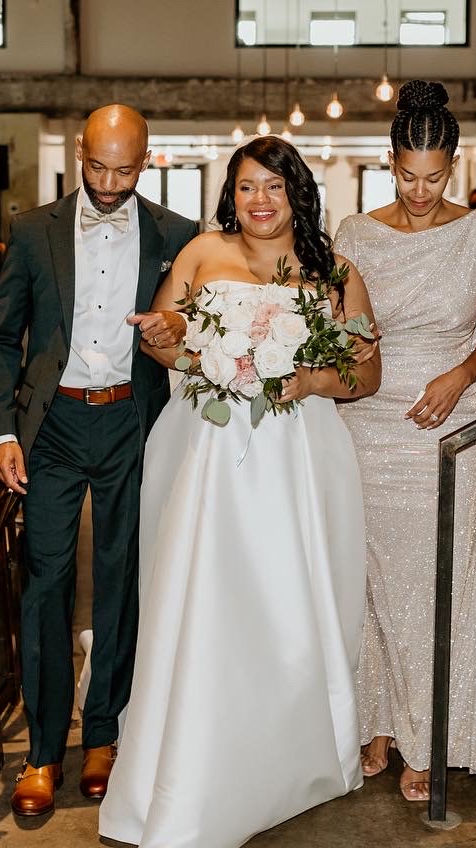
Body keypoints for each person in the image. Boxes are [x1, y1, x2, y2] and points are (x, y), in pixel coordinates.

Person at [99, 135, 381, 847]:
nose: (260, 200)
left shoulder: (336, 270)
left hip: (299, 455)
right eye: (248, 186)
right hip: (211, 452)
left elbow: (367, 374)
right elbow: (163, 341)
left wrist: (311, 378)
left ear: (298, 194)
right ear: (232, 193)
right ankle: (196, 751)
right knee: (207, 594)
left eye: (274, 187)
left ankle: (287, 751)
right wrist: (181, 341)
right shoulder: (201, 252)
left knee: (289, 597)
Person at [0, 104, 197, 817]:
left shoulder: (177, 235)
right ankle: (44, 749)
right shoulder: (34, 231)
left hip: (132, 425)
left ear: (147, 159)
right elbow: (2, 336)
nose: (108, 183)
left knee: (122, 579)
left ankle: (103, 734)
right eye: (97, 166)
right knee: (44, 584)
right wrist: (1, 431)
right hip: (52, 426)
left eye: (125, 169)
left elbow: (198, 329)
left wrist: (181, 327)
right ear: (80, 152)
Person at [334, 79, 476, 801]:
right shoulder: (355, 232)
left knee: (431, 587)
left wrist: (458, 376)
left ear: (455, 165)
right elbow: (343, 329)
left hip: (444, 425)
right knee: (367, 583)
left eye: (434, 177)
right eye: (407, 176)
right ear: (389, 162)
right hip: (365, 420)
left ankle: (428, 734)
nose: (419, 190)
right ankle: (374, 721)